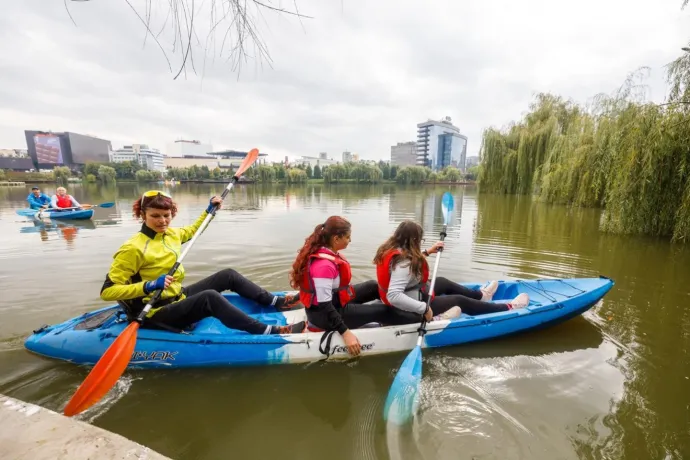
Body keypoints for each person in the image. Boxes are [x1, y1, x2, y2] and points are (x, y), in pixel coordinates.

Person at [100, 190, 305, 335]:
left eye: (166, 215)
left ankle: (275, 302)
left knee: (228, 275)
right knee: (209, 297)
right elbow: (108, 292)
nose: (162, 221)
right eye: (155, 216)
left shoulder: (171, 234)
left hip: (176, 297)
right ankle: (266, 331)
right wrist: (149, 285)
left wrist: (210, 210)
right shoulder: (133, 248)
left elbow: (193, 231)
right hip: (154, 311)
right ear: (142, 214)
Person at [373, 220, 529, 324]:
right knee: (459, 300)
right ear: (414, 240)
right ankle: (508, 308)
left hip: (412, 295)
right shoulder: (403, 263)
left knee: (441, 282)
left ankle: (482, 296)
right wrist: (425, 309)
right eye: (420, 240)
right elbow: (393, 295)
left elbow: (404, 263)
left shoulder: (390, 249)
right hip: (408, 308)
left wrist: (428, 251)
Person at [289, 216, 390, 356]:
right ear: (336, 239)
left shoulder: (324, 252)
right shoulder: (324, 266)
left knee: (373, 286)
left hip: (335, 302)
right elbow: (324, 305)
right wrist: (346, 333)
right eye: (348, 237)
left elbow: (321, 290)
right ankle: (407, 319)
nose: (350, 240)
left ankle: (400, 302)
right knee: (383, 310)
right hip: (324, 316)